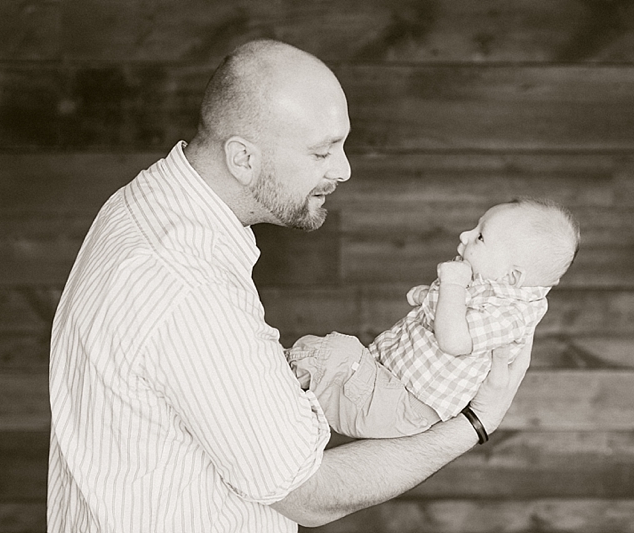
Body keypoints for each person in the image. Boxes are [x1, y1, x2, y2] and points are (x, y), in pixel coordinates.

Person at [47, 38, 532, 533]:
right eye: (322, 151)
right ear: (243, 159)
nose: (343, 170)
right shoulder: (189, 285)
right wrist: (475, 422)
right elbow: (309, 495)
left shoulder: (143, 204)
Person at [287, 198, 580, 438]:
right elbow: (446, 309)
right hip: (386, 379)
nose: (464, 236)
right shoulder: (490, 287)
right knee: (332, 362)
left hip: (402, 404)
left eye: (480, 236)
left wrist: (451, 286)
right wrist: (427, 296)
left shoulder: (511, 315)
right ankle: (289, 388)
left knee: (337, 353)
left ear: (512, 276)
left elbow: (454, 340)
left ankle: (281, 380)